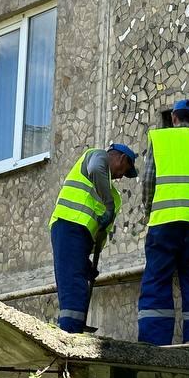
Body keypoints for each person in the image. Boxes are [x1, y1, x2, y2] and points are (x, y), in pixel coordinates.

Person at [137, 99, 189, 346]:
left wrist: (149, 212)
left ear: (173, 118)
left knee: (157, 280)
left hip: (164, 223)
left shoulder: (160, 139)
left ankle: (154, 346)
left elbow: (149, 181)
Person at [49, 142, 139, 333]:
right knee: (73, 285)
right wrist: (108, 205)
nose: (121, 176)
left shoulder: (110, 191)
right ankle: (70, 335)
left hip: (78, 236)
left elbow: (100, 229)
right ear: (121, 158)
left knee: (78, 284)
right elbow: (96, 168)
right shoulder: (97, 156)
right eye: (125, 170)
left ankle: (74, 328)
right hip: (68, 224)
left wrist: (86, 262)